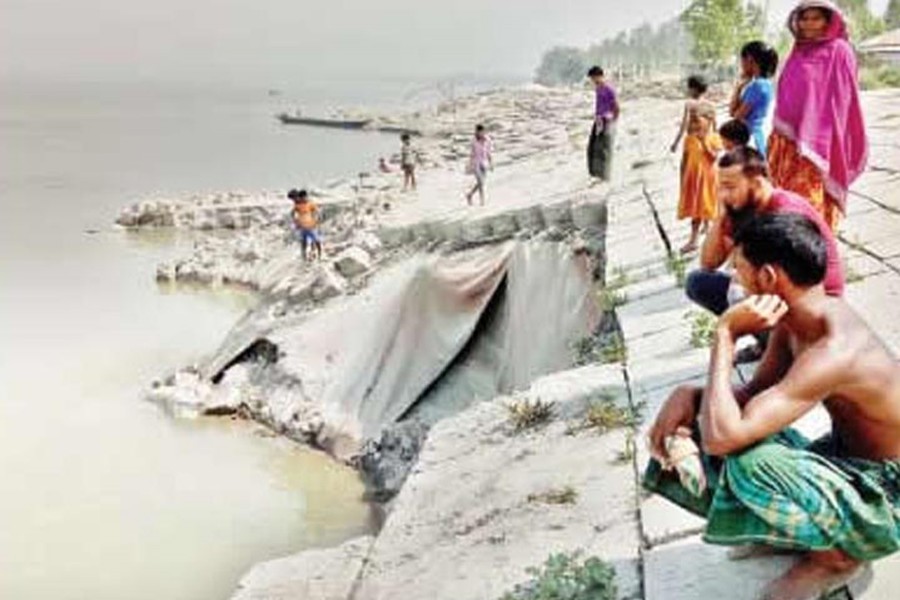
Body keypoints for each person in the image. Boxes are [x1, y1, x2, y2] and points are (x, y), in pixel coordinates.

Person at [645, 212, 900, 600]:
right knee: (709, 420)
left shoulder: (834, 350)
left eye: (739, 272)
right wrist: (688, 396)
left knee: (750, 462)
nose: (735, 283)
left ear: (767, 278)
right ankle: (803, 532)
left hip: (885, 494)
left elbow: (723, 439)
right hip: (844, 459)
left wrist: (725, 335)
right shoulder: (795, 322)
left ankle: (837, 557)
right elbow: (752, 396)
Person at [686, 147, 844, 320]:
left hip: (813, 303)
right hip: (772, 290)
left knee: (739, 296)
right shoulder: (744, 206)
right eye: (721, 188)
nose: (723, 195)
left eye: (730, 187)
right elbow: (709, 263)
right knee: (698, 282)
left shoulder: (785, 211)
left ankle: (770, 340)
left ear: (757, 183)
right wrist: (721, 216)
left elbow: (788, 284)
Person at [768, 0, 868, 230]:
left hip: (820, 145)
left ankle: (819, 255)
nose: (809, 24)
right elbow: (787, 94)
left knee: (809, 208)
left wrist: (820, 137)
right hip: (787, 143)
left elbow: (844, 98)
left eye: (816, 18)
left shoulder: (840, 51)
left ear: (828, 20)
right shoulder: (797, 51)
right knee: (785, 204)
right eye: (805, 18)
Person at [670, 75, 722, 255]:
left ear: (692, 89)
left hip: (694, 150)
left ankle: (693, 240)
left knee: (695, 192)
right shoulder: (711, 106)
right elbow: (715, 129)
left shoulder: (690, 104)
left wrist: (675, 143)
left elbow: (684, 126)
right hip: (709, 150)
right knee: (706, 189)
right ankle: (706, 225)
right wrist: (713, 149)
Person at [729, 41, 778, 158]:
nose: (741, 65)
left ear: (750, 60)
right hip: (757, 138)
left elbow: (735, 115)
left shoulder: (757, 86)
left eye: (742, 60)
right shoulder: (766, 84)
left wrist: (738, 87)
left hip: (749, 139)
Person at [586, 65, 620, 182]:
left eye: (594, 78)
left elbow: (616, 107)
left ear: (599, 76)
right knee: (592, 148)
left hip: (606, 121)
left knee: (604, 148)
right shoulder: (598, 89)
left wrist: (613, 121)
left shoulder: (608, 89)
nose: (593, 81)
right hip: (599, 121)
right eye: (592, 79)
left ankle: (605, 175)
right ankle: (595, 174)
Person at [287, 188, 322, 261]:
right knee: (304, 241)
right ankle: (304, 256)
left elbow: (315, 212)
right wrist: (296, 222)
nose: (293, 200)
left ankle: (316, 254)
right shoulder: (297, 204)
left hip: (311, 224)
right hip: (304, 226)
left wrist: (316, 220)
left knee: (314, 239)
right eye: (292, 199)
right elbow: (293, 213)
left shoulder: (308, 203)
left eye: (293, 198)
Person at [465, 124, 493, 206]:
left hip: (483, 163)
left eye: (482, 132)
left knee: (482, 182)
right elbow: (472, 154)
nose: (481, 133)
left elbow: (488, 152)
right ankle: (482, 200)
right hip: (475, 163)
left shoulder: (487, 140)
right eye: (479, 132)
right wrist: (469, 165)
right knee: (480, 181)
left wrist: (491, 163)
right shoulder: (473, 141)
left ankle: (469, 195)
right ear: (477, 132)